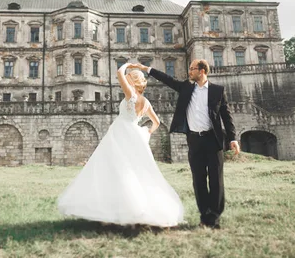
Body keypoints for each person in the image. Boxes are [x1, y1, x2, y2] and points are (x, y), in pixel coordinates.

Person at [57, 63, 184, 227]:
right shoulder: (145, 102)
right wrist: (147, 132)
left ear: (133, 81)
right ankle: (132, 209)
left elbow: (118, 72)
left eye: (130, 78)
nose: (127, 79)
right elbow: (157, 122)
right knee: (132, 169)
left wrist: (127, 66)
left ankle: (111, 209)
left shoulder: (130, 93)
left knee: (112, 167)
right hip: (134, 133)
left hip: (120, 131)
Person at [135, 59, 240, 229]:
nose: (189, 71)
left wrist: (233, 138)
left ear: (202, 71)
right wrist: (147, 69)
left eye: (192, 69)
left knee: (216, 180)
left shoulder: (217, 91)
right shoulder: (186, 88)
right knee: (198, 180)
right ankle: (204, 214)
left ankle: (214, 217)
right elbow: (167, 79)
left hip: (213, 140)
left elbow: (226, 116)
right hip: (194, 140)